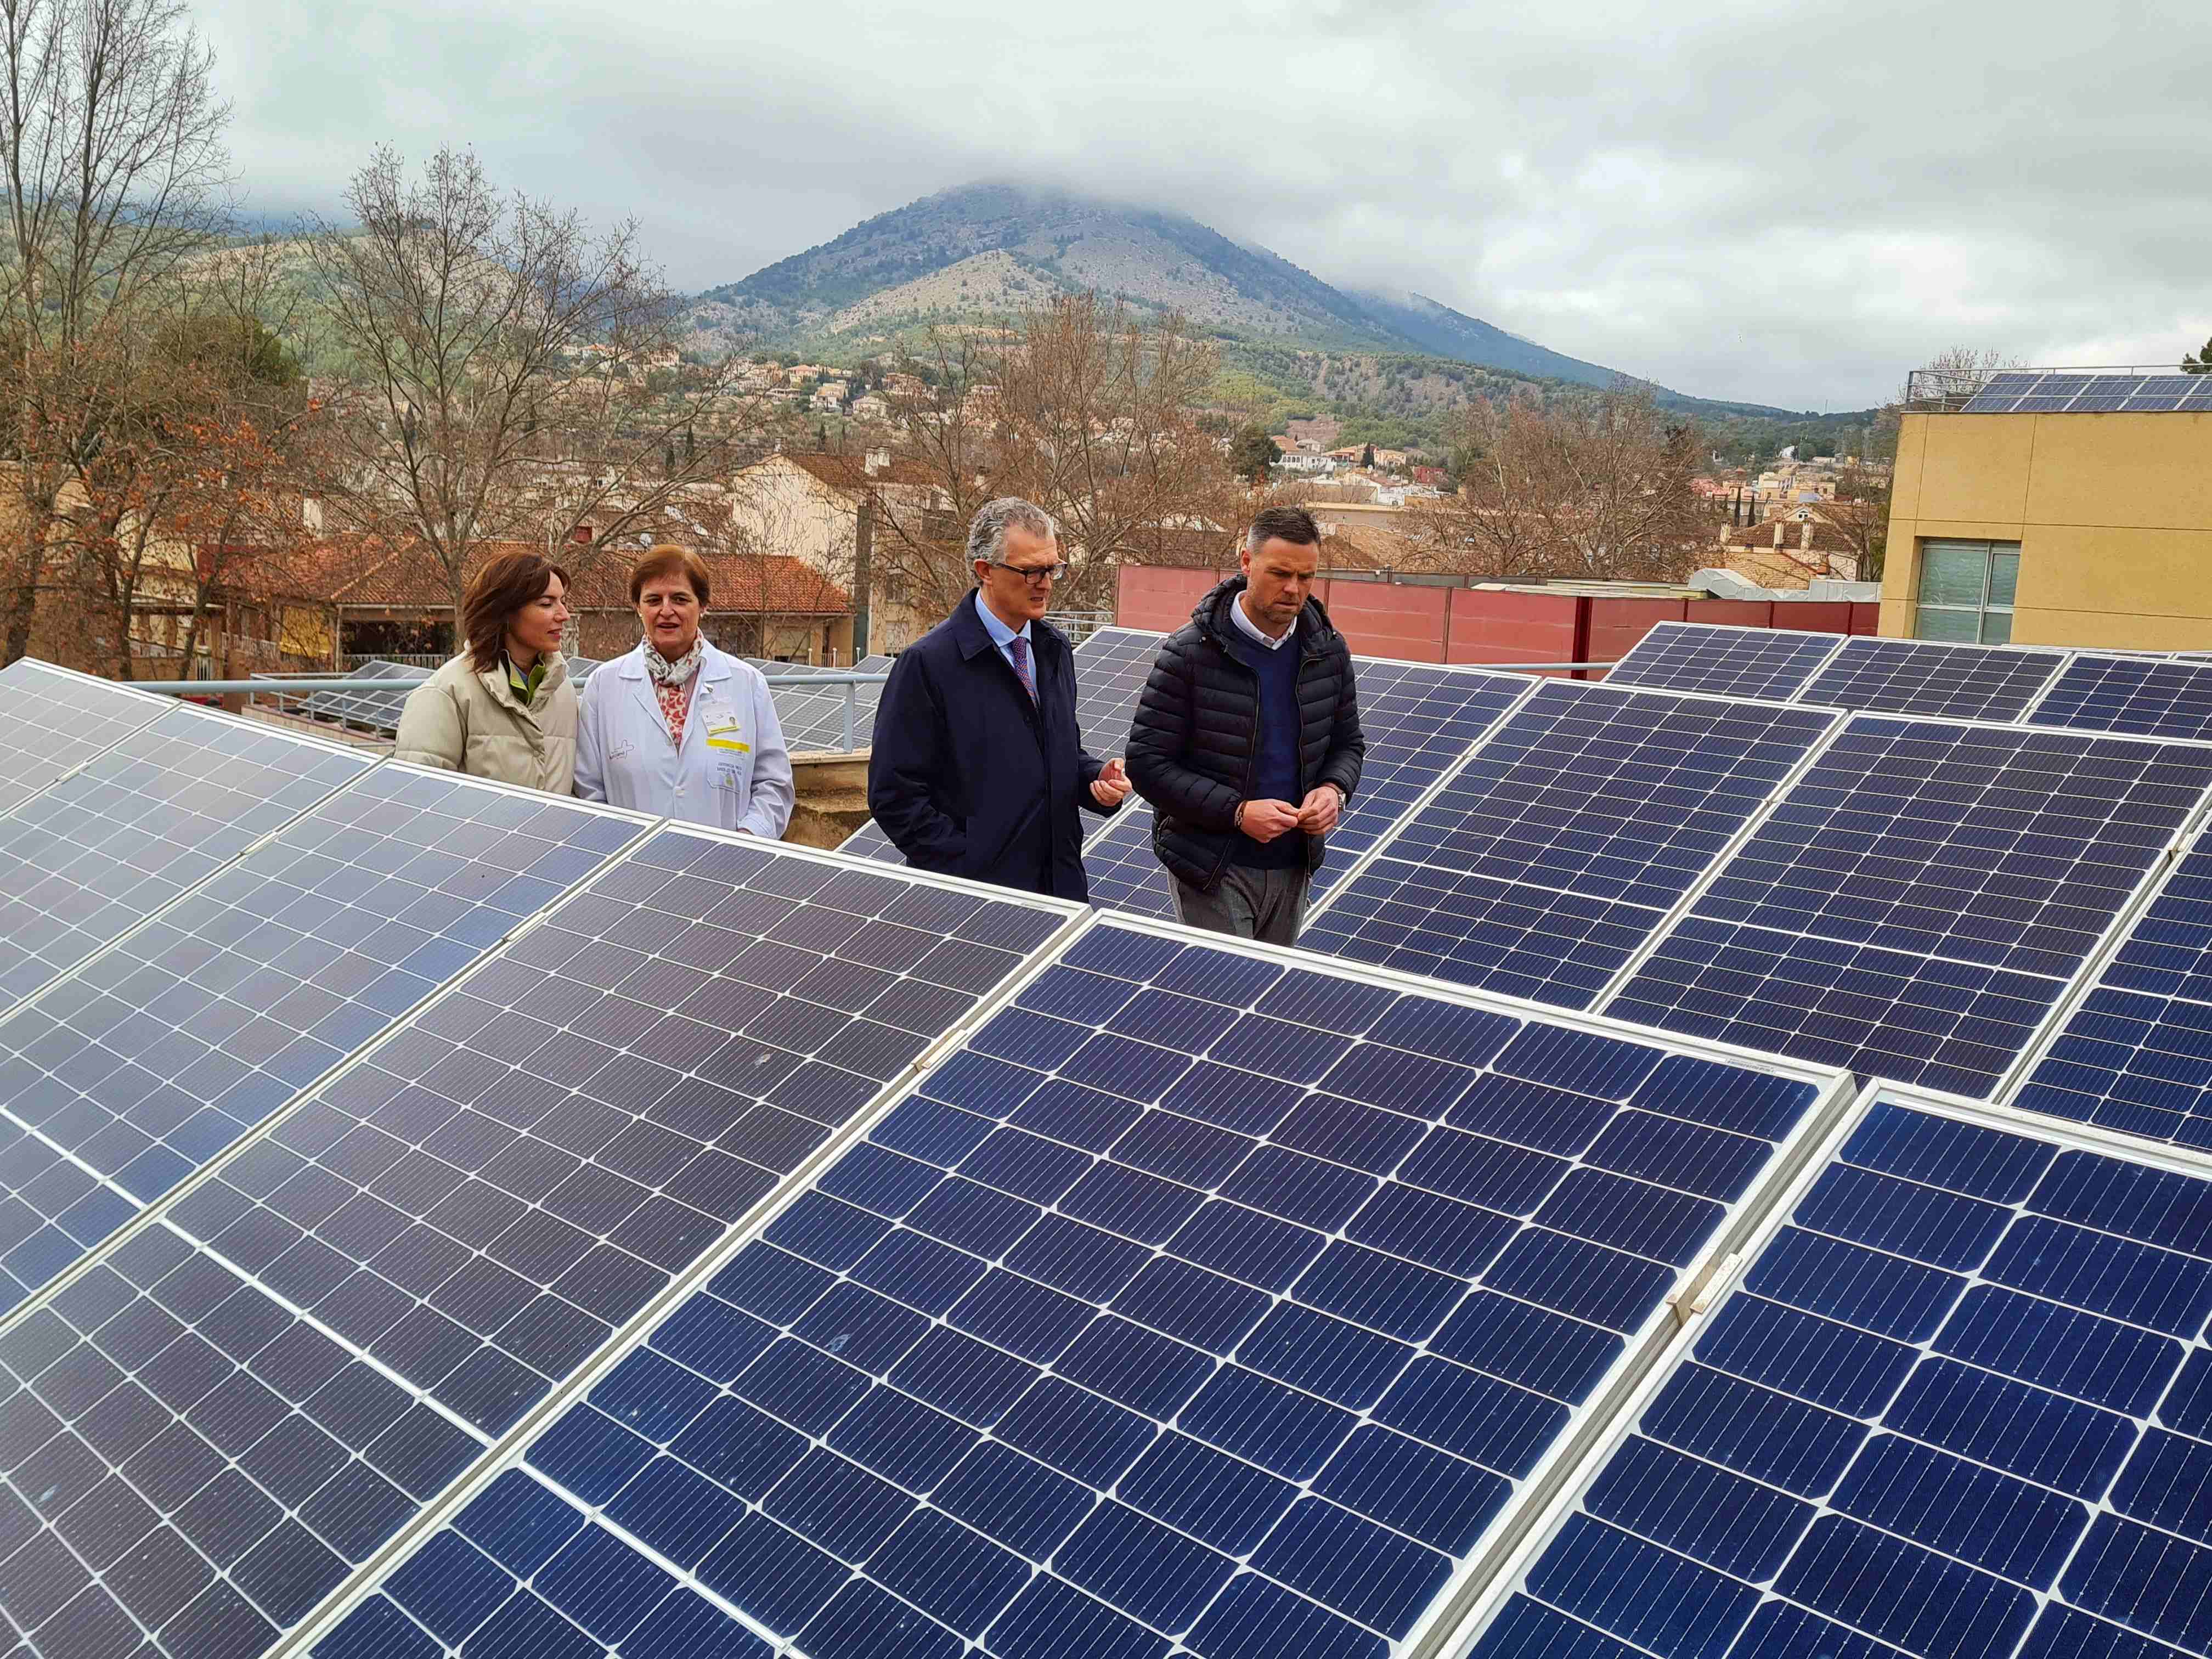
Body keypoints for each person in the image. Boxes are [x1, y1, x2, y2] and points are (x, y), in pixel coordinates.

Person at [868, 498, 1131, 900]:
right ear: (985, 571)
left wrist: (1094, 779)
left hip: (1060, 891)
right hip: (968, 907)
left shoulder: (1054, 651)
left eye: (1053, 569)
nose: (1045, 583)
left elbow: (1056, 755)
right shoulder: (928, 664)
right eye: (1031, 571)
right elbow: (894, 795)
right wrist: (967, 865)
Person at [1127, 504, 1364, 944]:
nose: (1294, 589)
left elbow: (1348, 743)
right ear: (1246, 562)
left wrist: (1334, 790)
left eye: (1307, 577)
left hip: (1294, 864)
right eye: (1280, 573)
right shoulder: (1190, 653)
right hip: (1214, 866)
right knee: (1224, 997)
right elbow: (1147, 764)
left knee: (1267, 1001)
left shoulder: (1328, 652)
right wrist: (1236, 812)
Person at [574, 544, 793, 836]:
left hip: (726, 868)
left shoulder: (746, 683)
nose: (666, 611)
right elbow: (588, 788)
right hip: (632, 869)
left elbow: (774, 783)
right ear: (638, 608)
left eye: (680, 599)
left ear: (702, 606)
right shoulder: (604, 686)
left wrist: (749, 839)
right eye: (653, 600)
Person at [394, 551, 580, 792]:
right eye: (546, 604)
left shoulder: (562, 689)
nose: (564, 615)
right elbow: (418, 795)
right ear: (504, 611)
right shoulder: (444, 694)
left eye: (563, 601)